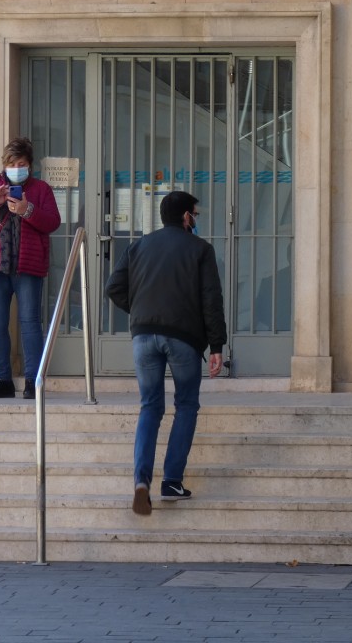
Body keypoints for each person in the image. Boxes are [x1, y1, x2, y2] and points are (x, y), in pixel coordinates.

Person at [105, 190, 227, 516]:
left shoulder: (139, 246)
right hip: (184, 339)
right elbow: (211, 301)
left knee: (150, 407)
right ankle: (171, 481)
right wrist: (217, 346)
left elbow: (113, 288)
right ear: (187, 216)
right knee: (185, 405)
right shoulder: (201, 249)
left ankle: (141, 482)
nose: (195, 220)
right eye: (195, 215)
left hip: (143, 337)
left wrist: (141, 310)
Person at [0, 137, 61, 400]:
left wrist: (27, 209)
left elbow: (53, 222)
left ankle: (33, 381)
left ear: (30, 166)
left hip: (28, 267)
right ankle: (3, 379)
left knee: (30, 323)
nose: (16, 167)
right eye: (12, 163)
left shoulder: (41, 189)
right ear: (4, 165)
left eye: (21, 164)